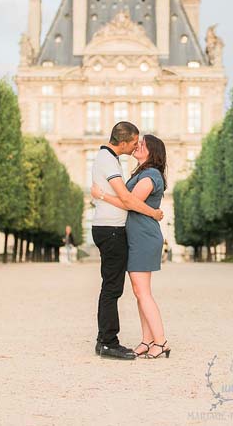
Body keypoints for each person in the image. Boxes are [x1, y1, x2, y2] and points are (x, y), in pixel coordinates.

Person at [92, 134, 171, 359]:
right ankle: (147, 341)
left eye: (142, 144)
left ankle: (161, 341)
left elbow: (130, 203)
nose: (138, 146)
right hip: (138, 236)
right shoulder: (142, 173)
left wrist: (102, 195)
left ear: (152, 152)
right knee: (140, 292)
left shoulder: (150, 175)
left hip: (144, 237)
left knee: (142, 291)